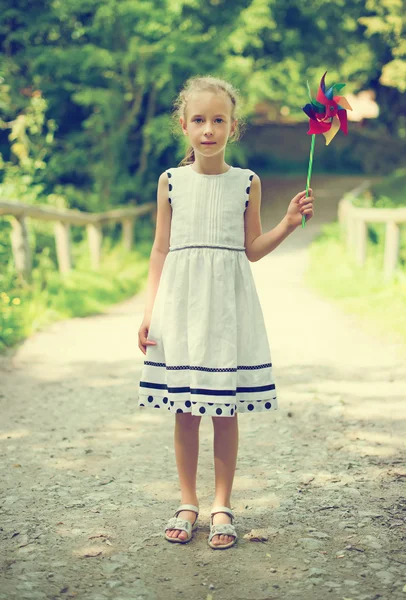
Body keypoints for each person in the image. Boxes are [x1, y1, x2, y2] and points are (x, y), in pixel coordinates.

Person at [137, 75, 314, 550]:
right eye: (199, 120)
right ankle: (187, 501)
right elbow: (159, 249)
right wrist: (149, 311)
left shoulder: (246, 183)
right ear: (184, 125)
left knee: (225, 408)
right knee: (185, 410)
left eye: (219, 120)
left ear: (233, 128)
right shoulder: (170, 181)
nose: (208, 129)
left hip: (227, 309)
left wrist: (288, 223)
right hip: (182, 307)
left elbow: (252, 249)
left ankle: (222, 504)